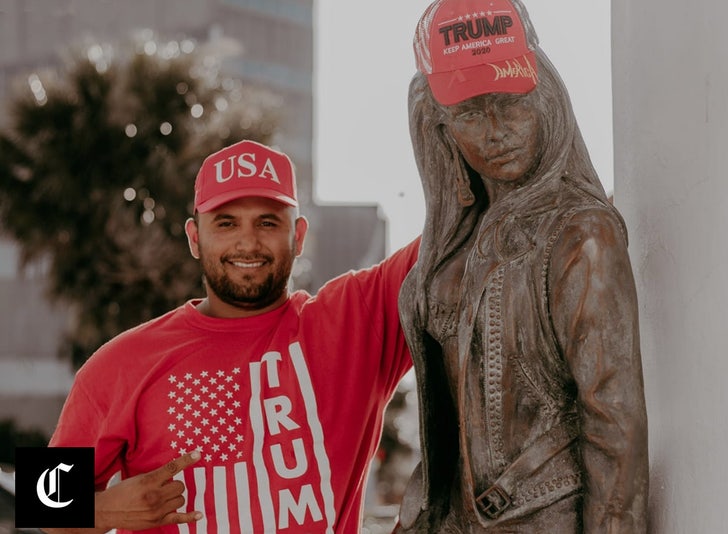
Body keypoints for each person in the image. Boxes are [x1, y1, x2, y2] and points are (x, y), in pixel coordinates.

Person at [45, 139, 419, 533]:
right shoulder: (123, 362)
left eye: (268, 222)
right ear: (194, 237)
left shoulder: (357, 320)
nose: (248, 242)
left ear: (298, 235)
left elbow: (460, 238)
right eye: (226, 223)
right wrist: (105, 512)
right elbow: (41, 500)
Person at [395, 0, 648, 532]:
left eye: (512, 101)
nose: (497, 130)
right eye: (469, 112)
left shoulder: (582, 235)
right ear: (439, 127)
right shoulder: (446, 247)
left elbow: (615, 432)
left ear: (546, 95)